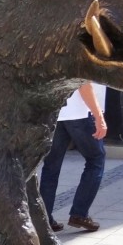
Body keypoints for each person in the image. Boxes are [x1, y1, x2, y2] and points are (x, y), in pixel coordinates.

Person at [39, 82, 107, 233]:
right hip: (80, 113)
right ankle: (79, 213)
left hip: (56, 112)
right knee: (96, 159)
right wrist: (98, 116)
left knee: (50, 167)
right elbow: (84, 84)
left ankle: (44, 219)